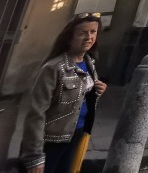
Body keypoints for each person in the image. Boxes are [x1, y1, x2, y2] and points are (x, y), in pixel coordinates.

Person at [19, 14, 107, 173]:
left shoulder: (89, 62)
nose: (89, 37)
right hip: (51, 141)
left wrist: (97, 91)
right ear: (69, 37)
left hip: (75, 134)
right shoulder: (53, 68)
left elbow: (81, 98)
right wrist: (35, 156)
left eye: (93, 32)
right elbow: (36, 113)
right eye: (82, 33)